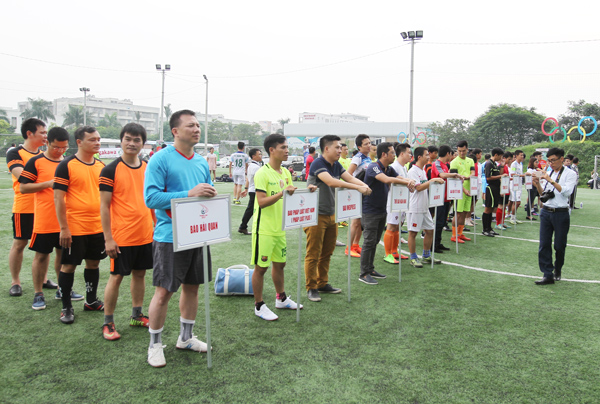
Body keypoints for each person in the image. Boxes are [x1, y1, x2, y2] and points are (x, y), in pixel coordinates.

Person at [144, 110, 216, 367]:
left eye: (198, 125)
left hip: (198, 232)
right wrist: (189, 193)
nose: (196, 129)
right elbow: (151, 199)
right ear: (175, 131)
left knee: (193, 286)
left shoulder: (199, 161)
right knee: (164, 292)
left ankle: (186, 338)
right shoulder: (159, 159)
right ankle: (154, 344)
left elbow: (203, 193)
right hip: (169, 236)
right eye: (190, 125)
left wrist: (208, 194)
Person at [99, 123, 155, 341]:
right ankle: (108, 322)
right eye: (128, 139)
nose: (132, 143)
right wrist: (108, 239)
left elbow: (151, 201)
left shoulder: (148, 167)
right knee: (116, 277)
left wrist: (156, 226)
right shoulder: (110, 169)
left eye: (137, 140)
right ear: (121, 140)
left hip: (145, 235)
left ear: (143, 143)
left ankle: (136, 315)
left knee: (140, 274)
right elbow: (104, 206)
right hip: (121, 237)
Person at [19, 127, 80, 310]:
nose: (60, 151)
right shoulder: (36, 162)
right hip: (45, 219)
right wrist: (49, 184)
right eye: (56, 147)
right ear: (47, 143)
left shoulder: (70, 163)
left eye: (63, 148)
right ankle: (38, 293)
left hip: (66, 219)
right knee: (41, 256)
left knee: (63, 256)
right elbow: (23, 188)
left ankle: (63, 289)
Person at [304, 135, 371, 301]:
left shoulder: (337, 165)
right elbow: (332, 182)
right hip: (315, 215)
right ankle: (311, 287)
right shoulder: (318, 163)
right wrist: (358, 187)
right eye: (337, 147)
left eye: (341, 147)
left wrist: (363, 185)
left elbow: (349, 177)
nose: (340, 150)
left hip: (331, 214)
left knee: (327, 252)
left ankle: (322, 283)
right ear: (326, 149)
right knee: (313, 253)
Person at [54, 126, 107, 324]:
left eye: (98, 139)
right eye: (92, 139)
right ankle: (66, 307)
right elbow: (58, 199)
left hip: (97, 227)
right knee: (68, 266)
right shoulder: (66, 165)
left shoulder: (101, 166)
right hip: (75, 227)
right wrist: (64, 228)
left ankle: (91, 300)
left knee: (93, 263)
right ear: (79, 142)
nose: (97, 142)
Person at [251, 134, 301, 320]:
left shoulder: (286, 173)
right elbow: (262, 202)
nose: (287, 151)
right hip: (263, 229)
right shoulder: (262, 173)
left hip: (280, 228)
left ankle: (281, 299)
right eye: (283, 147)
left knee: (280, 264)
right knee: (261, 268)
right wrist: (282, 193)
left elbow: (290, 195)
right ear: (271, 150)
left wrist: (307, 191)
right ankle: (259, 305)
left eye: (287, 147)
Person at [359, 142, 416, 285]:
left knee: (374, 241)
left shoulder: (388, 168)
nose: (394, 155)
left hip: (381, 210)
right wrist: (406, 182)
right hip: (370, 211)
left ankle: (370, 269)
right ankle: (364, 273)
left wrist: (409, 180)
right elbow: (386, 179)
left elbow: (399, 177)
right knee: (369, 242)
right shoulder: (374, 167)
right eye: (392, 153)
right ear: (384, 154)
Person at [7, 118, 48, 297]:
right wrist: (49, 181)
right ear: (30, 133)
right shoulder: (15, 153)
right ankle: (15, 281)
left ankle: (44, 279)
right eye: (42, 133)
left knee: (44, 247)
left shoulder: (44, 155)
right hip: (24, 208)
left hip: (44, 208)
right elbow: (23, 177)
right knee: (20, 243)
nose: (46, 136)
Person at [532, 147, 577, 285]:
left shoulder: (570, 174)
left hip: (561, 213)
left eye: (553, 160)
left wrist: (550, 180)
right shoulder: (548, 172)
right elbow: (543, 195)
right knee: (544, 244)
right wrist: (538, 183)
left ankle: (558, 268)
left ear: (561, 159)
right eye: (549, 161)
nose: (550, 163)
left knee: (559, 245)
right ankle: (547, 274)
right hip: (546, 211)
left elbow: (566, 192)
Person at [406, 147, 445, 268]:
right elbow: (418, 188)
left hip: (424, 206)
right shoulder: (413, 171)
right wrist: (433, 180)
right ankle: (413, 257)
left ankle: (426, 255)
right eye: (426, 155)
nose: (429, 157)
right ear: (419, 157)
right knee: (413, 233)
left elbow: (425, 186)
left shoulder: (422, 170)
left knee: (430, 230)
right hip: (415, 207)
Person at [383, 142, 413, 263]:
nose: (411, 156)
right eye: (409, 153)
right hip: (393, 201)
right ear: (402, 153)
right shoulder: (394, 167)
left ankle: (394, 251)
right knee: (391, 226)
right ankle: (387, 254)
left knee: (397, 226)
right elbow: (389, 183)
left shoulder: (404, 167)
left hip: (402, 201)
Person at [345, 134, 372, 258]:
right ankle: (348, 248)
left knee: (360, 223)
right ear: (359, 147)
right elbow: (348, 174)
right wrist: (356, 187)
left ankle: (355, 245)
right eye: (366, 144)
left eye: (369, 143)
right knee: (355, 222)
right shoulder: (357, 158)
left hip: (365, 194)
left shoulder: (368, 158)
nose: (369, 146)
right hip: (358, 193)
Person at [431, 145, 461, 252]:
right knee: (438, 222)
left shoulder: (445, 165)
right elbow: (442, 175)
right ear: (448, 154)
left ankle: (438, 243)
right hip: (439, 198)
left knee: (442, 222)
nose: (452, 156)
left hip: (446, 198)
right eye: (452, 154)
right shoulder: (437, 164)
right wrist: (455, 174)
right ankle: (433, 245)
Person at [449, 140, 475, 243]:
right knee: (458, 213)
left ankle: (460, 233)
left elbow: (473, 172)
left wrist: (468, 178)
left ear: (467, 149)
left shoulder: (470, 160)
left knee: (465, 212)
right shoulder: (454, 162)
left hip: (469, 190)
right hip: (458, 191)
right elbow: (454, 179)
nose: (462, 153)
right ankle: (454, 235)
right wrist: (463, 189)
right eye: (459, 151)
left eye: (463, 150)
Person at [481, 148, 506, 237]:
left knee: (492, 209)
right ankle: (485, 229)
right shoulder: (488, 164)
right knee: (488, 209)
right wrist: (500, 176)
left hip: (495, 189)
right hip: (490, 188)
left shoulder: (494, 164)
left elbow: (497, 175)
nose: (501, 158)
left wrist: (501, 169)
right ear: (496, 155)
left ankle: (489, 228)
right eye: (500, 156)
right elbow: (488, 178)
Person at [238, 148, 262, 235]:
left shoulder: (251, 166)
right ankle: (243, 226)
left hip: (252, 190)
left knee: (251, 210)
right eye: (259, 154)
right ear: (253, 156)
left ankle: (243, 226)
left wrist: (246, 189)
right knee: (252, 210)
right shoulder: (256, 167)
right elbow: (258, 180)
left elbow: (248, 178)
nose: (261, 155)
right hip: (256, 190)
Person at [495, 152, 513, 230]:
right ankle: (497, 223)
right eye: (509, 159)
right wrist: (501, 190)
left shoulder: (506, 167)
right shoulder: (500, 166)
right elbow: (499, 177)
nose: (510, 161)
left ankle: (502, 222)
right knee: (500, 206)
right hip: (502, 189)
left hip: (507, 188)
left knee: (505, 206)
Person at [507, 150, 526, 224]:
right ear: (516, 155)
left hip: (519, 184)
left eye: (522, 155)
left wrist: (523, 174)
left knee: (512, 201)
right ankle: (512, 217)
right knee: (517, 202)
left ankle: (513, 216)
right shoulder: (514, 164)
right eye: (521, 155)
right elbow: (512, 174)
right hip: (514, 185)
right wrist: (522, 175)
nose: (522, 156)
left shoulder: (520, 164)